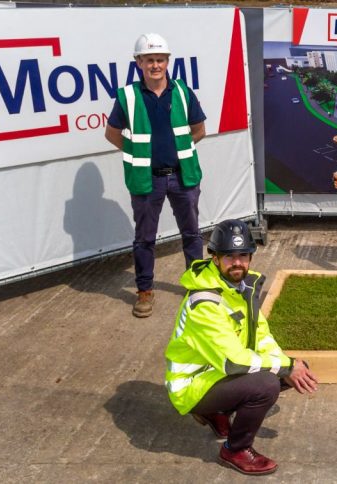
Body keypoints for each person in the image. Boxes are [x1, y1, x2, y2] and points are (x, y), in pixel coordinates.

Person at [163, 219, 319, 476]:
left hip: (214, 373)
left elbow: (262, 337)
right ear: (215, 258)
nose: (237, 263)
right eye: (229, 256)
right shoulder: (205, 302)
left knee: (290, 370)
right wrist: (286, 367)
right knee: (266, 385)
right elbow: (233, 362)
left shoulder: (240, 289)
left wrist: (291, 366)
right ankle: (235, 449)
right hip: (190, 385)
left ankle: (215, 411)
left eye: (243, 255)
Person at [104, 33, 207, 318]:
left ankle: (197, 286)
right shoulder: (128, 96)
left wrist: (179, 150)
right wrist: (139, 153)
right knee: (145, 239)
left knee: (192, 234)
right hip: (147, 180)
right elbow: (112, 134)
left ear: (167, 61)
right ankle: (145, 291)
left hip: (183, 177)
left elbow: (199, 129)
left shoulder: (183, 92)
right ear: (139, 62)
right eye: (149, 60)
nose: (155, 65)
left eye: (160, 59)